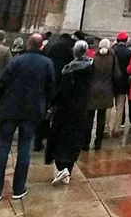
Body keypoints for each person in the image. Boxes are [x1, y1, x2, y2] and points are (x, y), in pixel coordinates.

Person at [0, 34, 55, 202]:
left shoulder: (16, 61)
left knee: (3, 148)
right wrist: (44, 106)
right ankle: (18, 188)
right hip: (32, 111)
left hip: (10, 109)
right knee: (24, 148)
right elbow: (51, 89)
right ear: (41, 46)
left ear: (27, 44)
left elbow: (1, 84)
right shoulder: (47, 63)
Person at [46, 40, 94, 185]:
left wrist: (52, 102)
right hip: (82, 108)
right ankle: (68, 171)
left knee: (61, 138)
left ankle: (62, 168)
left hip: (66, 109)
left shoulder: (69, 70)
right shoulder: (92, 67)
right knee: (75, 139)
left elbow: (62, 91)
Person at [86, 38, 117, 151]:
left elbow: (89, 74)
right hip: (106, 90)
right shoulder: (112, 59)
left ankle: (86, 142)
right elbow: (116, 74)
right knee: (101, 117)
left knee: (89, 117)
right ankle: (98, 143)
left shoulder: (94, 58)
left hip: (93, 90)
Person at [110, 32, 131, 136]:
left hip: (111, 82)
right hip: (123, 83)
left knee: (109, 106)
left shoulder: (112, 52)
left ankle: (107, 128)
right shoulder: (129, 53)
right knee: (120, 106)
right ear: (126, 40)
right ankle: (117, 128)